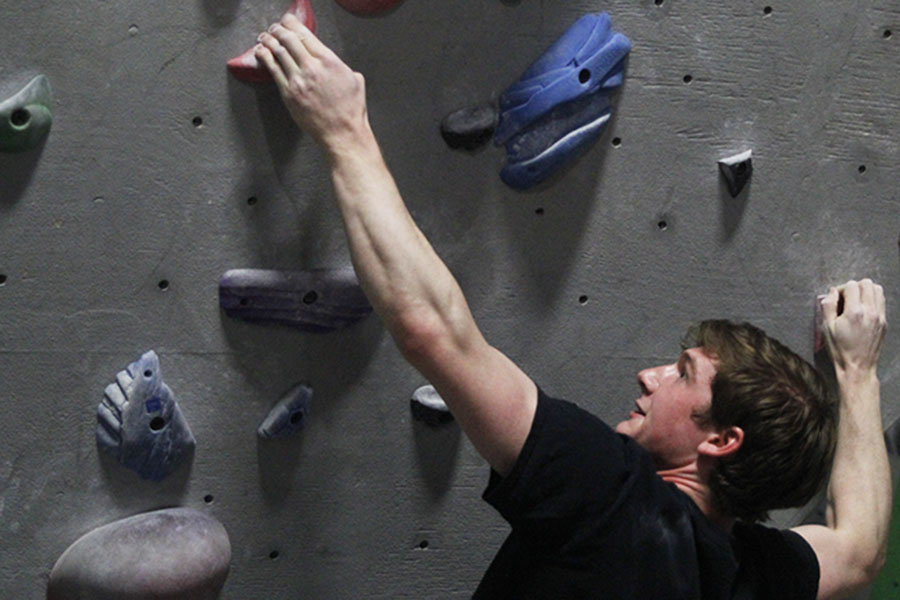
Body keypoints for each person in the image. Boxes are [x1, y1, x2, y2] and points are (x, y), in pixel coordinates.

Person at [252, 14, 891, 599]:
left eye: (682, 374)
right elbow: (859, 551)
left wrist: (344, 129)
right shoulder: (751, 575)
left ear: (722, 439)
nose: (650, 375)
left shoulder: (609, 498)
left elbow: (433, 331)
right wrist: (856, 375)